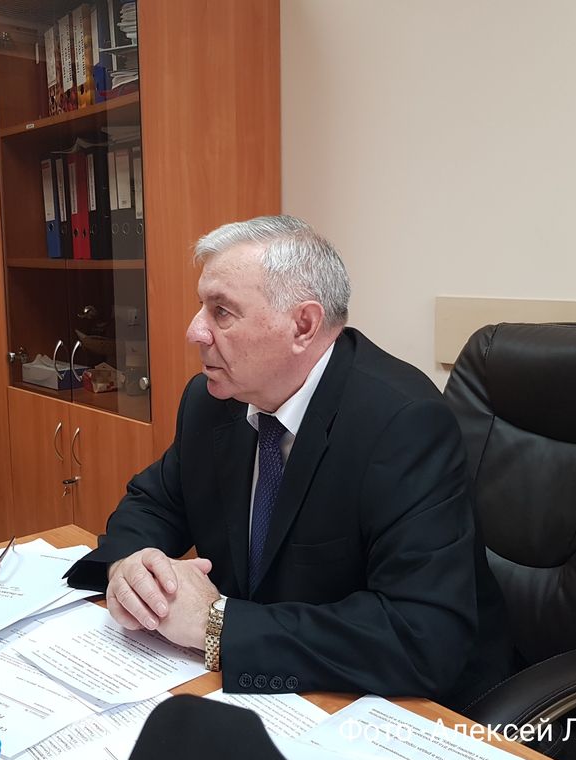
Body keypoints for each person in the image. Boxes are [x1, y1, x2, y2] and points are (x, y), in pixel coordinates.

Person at [65, 215, 512, 708]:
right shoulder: (213, 400)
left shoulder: (403, 425)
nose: (195, 331)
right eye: (201, 306)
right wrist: (129, 566)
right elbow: (155, 503)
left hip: (408, 708)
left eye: (221, 311)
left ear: (303, 325)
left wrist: (218, 623)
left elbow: (420, 635)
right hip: (272, 686)